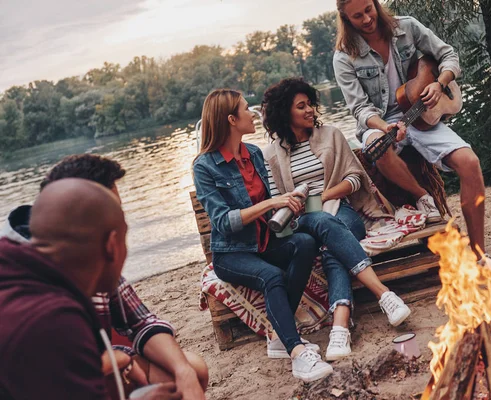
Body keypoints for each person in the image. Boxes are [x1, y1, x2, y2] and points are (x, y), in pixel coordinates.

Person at [0, 154, 208, 398]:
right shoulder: (52, 319)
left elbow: (140, 321)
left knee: (192, 370)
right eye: (118, 220)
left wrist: (178, 370)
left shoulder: (54, 262)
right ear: (110, 243)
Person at [332, 0, 491, 274]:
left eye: (369, 9)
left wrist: (439, 84)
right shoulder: (344, 56)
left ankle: (480, 256)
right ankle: (422, 197)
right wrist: (384, 126)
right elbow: (359, 108)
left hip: (423, 115)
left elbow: (449, 56)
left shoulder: (406, 27)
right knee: (375, 146)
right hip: (381, 122)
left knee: (470, 163)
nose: (367, 19)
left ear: (375, 4)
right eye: (357, 16)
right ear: (345, 19)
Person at [261, 77, 412, 361]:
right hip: (301, 221)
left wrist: (322, 197)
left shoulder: (330, 135)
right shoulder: (270, 155)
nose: (310, 110)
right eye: (301, 106)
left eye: (310, 104)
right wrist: (305, 206)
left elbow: (355, 178)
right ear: (285, 113)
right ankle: (383, 295)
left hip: (340, 209)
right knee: (322, 228)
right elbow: (276, 202)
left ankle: (339, 329)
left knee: (332, 245)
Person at [192, 88, 333, 382]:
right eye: (246, 109)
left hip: (265, 242)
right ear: (231, 119)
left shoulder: (254, 154)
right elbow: (223, 222)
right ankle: (296, 352)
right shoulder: (204, 166)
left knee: (305, 243)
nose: (253, 113)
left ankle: (278, 337)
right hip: (232, 254)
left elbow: (271, 205)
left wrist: (290, 203)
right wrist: (272, 202)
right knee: (271, 276)